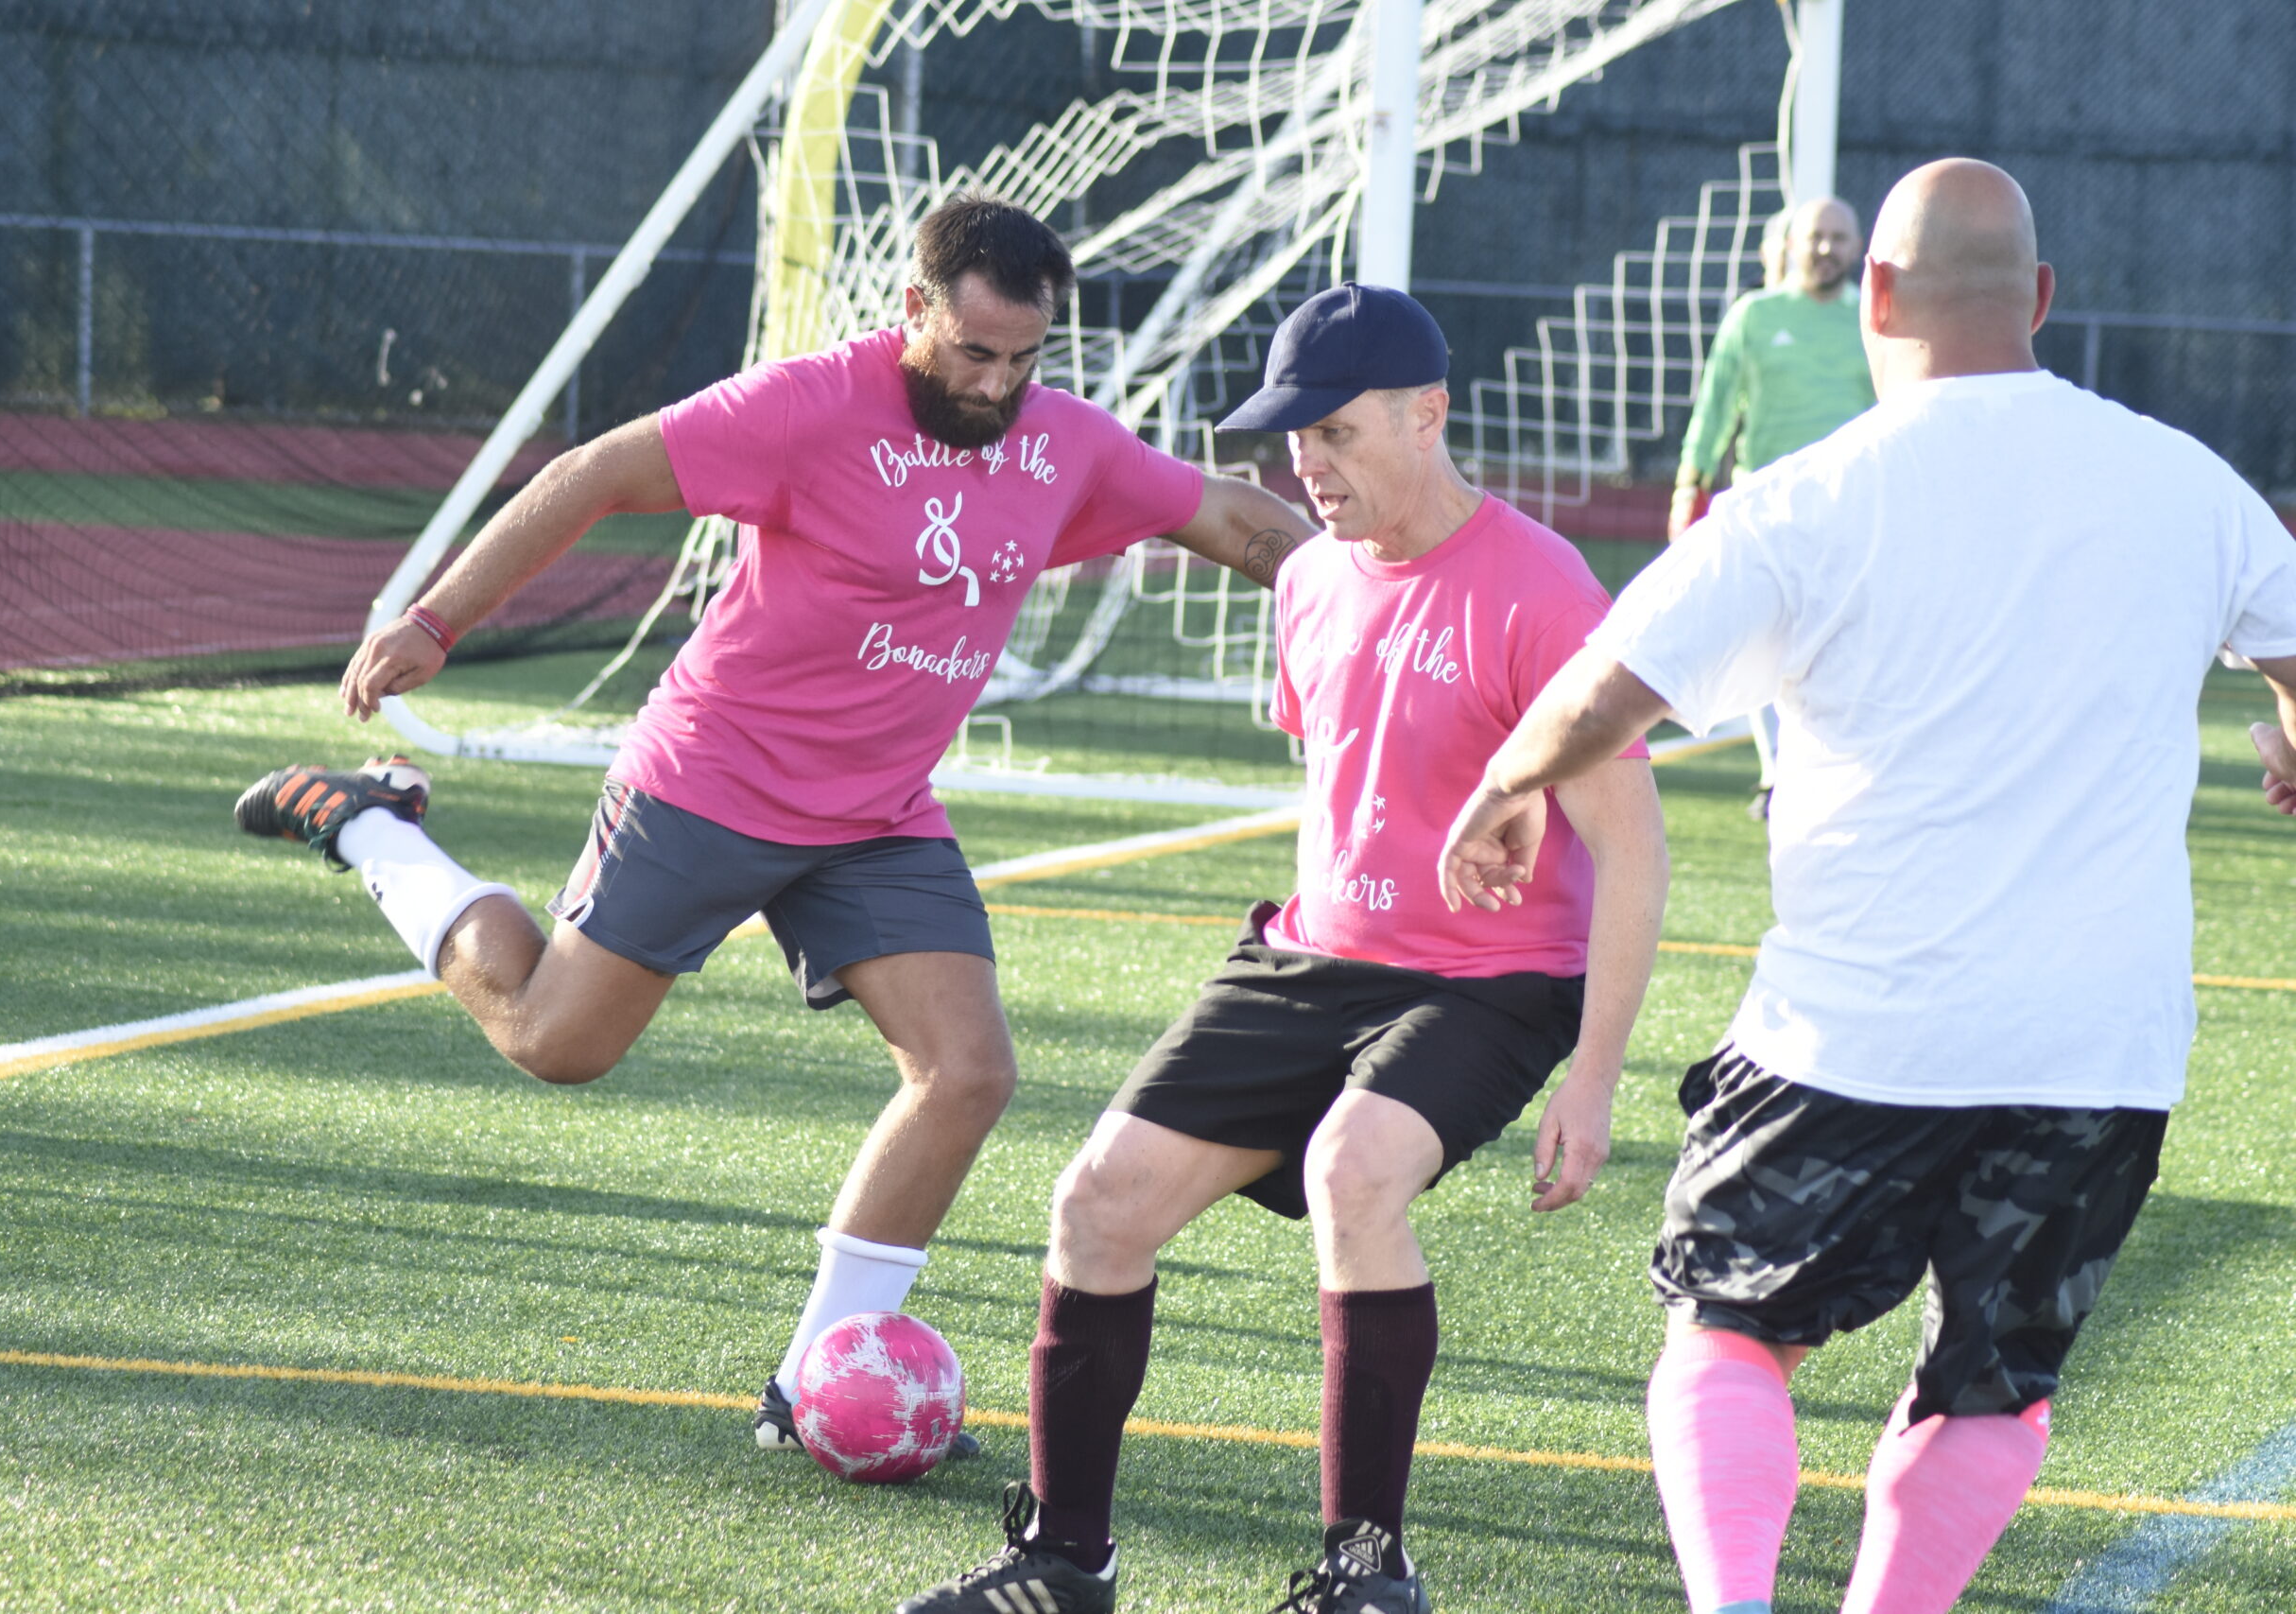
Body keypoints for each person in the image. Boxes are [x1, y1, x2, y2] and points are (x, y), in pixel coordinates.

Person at [231, 194, 1314, 1457]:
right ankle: (373, 827)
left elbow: (1236, 518)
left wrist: (1376, 601)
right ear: (914, 310)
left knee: (968, 1071)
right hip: (713, 778)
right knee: (551, 1039)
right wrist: (435, 618)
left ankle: (813, 1380)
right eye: (975, 353)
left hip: (878, 813)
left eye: (1026, 357)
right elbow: (596, 473)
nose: (1000, 382)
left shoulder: (1059, 441)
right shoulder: (805, 406)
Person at [1440, 160, 2296, 1614]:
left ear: (1875, 296)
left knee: (1726, 1324)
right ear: (2038, 299)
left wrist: (1507, 786)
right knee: (1990, 1383)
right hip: (2103, 1054)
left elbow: (1603, 695)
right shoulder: (2184, 480)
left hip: (1857, 1033)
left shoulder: (1810, 497)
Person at [898, 285, 1668, 1614]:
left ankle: (1367, 1569)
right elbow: (1350, 785)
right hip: (1310, 958)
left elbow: (1640, 853)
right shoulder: (1308, 576)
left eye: (1339, 431)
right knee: (1096, 1202)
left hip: (1487, 980)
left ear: (1429, 416)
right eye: (1290, 438)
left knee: (1350, 1168)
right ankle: (1063, 1557)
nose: (1307, 464)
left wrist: (1595, 1079)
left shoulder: (1544, 588)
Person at [1670, 196, 1875, 816]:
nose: (1826, 248)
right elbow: (1716, 405)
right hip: (1764, 505)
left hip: (1851, 506)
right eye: (1815, 236)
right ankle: (1777, 774)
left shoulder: (1874, 318)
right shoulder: (1754, 316)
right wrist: (1690, 484)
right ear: (1789, 245)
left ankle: (1844, 770)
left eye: (1839, 238)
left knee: (1845, 642)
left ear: (1858, 247)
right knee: (1763, 637)